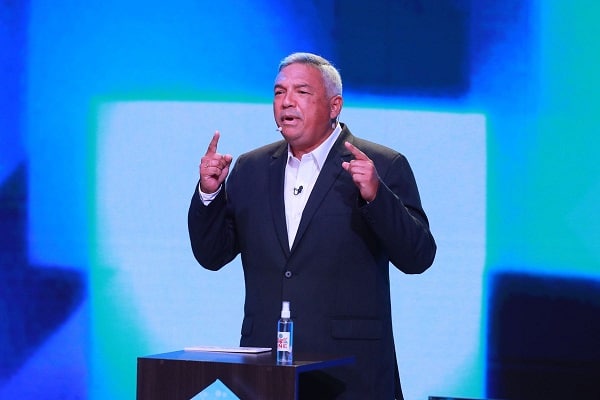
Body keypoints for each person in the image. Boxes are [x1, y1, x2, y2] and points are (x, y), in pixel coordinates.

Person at [188, 52, 436, 399]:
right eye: (279, 92)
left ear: (335, 106)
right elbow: (212, 255)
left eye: (301, 92)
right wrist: (209, 194)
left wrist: (376, 197)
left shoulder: (382, 164)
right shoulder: (251, 168)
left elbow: (418, 257)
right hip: (267, 371)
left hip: (350, 372)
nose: (286, 102)